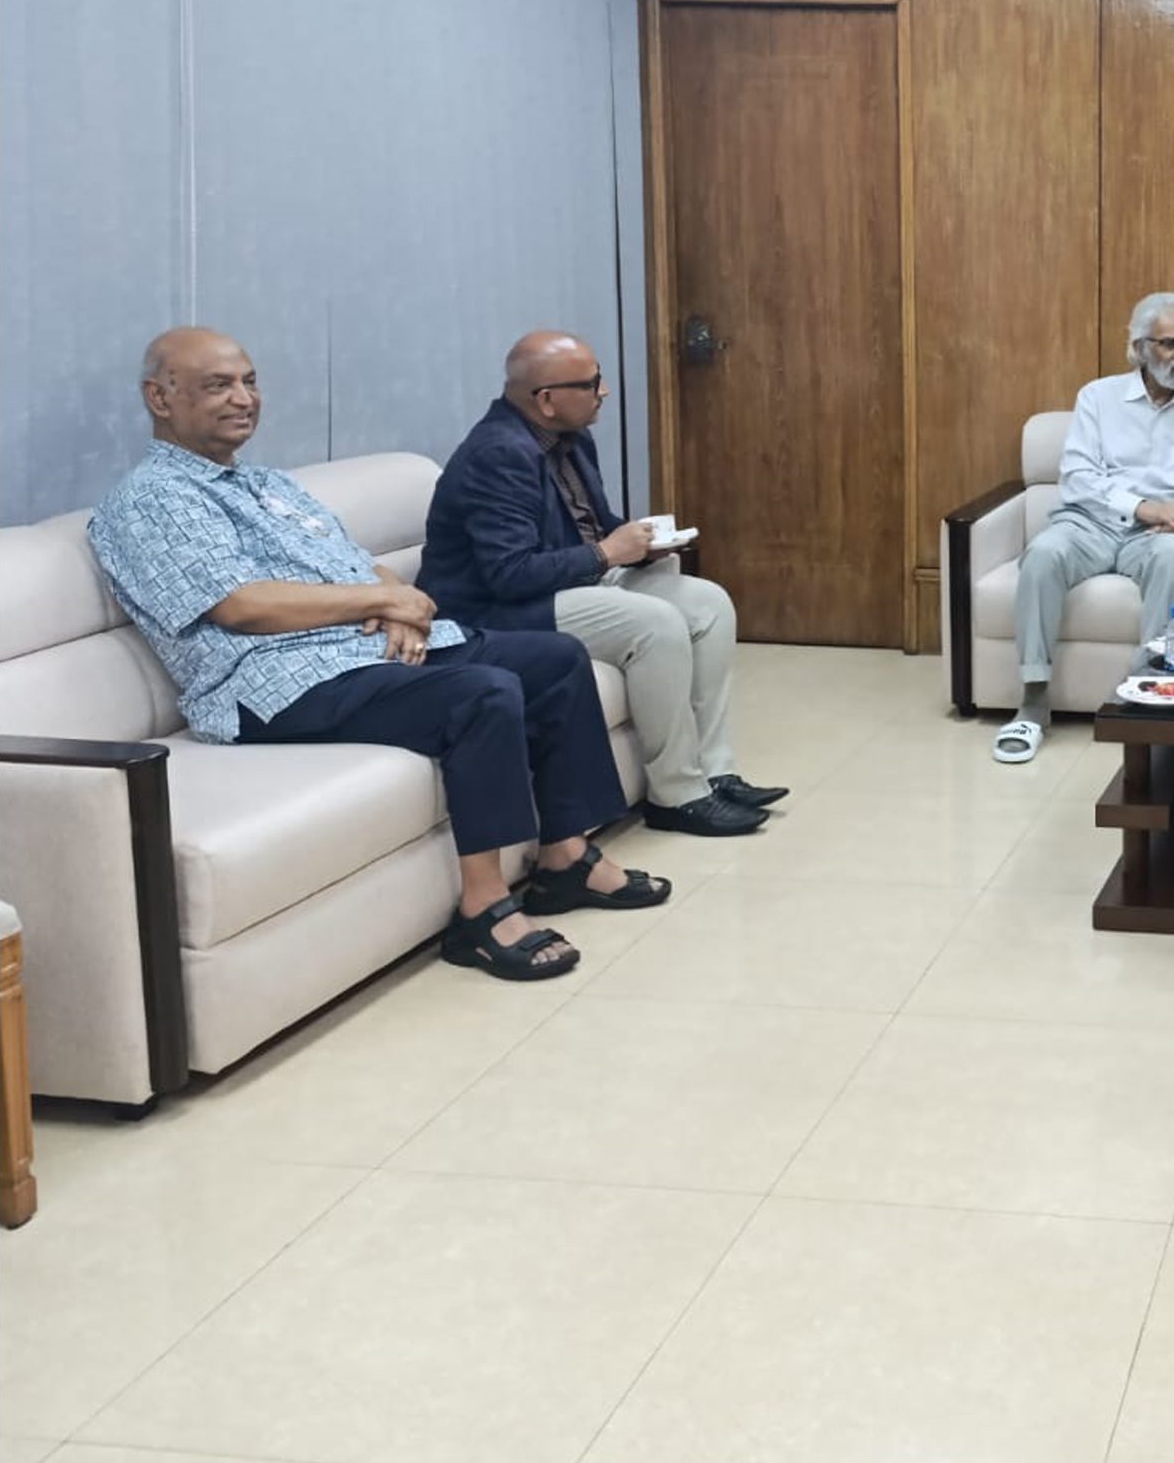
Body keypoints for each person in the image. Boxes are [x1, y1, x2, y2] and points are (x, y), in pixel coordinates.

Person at [87, 329, 669, 984]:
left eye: (249, 382)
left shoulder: (268, 485)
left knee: (554, 660)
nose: (244, 399)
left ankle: (564, 857)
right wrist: (384, 601)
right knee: (482, 694)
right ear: (159, 398)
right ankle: (482, 911)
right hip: (272, 686)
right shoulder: (153, 498)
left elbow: (359, 566)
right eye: (219, 386)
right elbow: (239, 605)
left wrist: (400, 603)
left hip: (357, 651)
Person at [418, 331, 783, 838]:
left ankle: (715, 772)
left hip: (565, 585)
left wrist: (643, 544)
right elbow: (510, 573)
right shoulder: (498, 455)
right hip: (493, 612)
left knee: (708, 604)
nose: (603, 392)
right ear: (547, 400)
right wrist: (609, 553)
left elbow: (593, 525)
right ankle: (678, 796)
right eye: (591, 384)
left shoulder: (571, 439)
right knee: (654, 623)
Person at [995, 292, 1174, 765]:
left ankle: (1156, 689)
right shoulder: (1098, 397)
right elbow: (1079, 478)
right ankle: (1034, 699)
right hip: (1091, 523)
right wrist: (1146, 507)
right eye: (1169, 344)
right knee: (1042, 555)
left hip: (1158, 535)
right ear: (1141, 348)